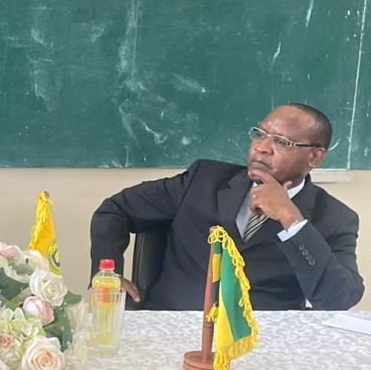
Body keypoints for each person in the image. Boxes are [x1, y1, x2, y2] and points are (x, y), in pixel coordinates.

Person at [90, 104, 363, 310]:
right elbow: (116, 209)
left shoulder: (335, 217)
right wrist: (107, 275)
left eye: (281, 142)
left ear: (315, 157)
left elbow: (339, 299)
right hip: (174, 325)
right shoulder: (203, 180)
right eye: (260, 135)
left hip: (261, 342)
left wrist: (292, 220)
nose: (262, 148)